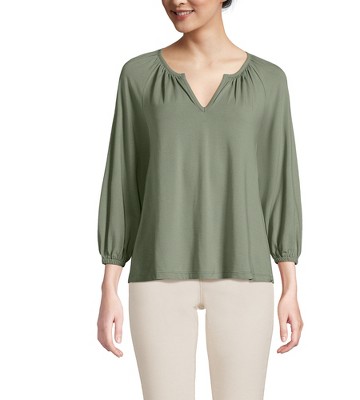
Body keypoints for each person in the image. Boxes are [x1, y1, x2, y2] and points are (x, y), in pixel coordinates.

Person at [97, 0, 304, 399]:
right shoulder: (138, 76)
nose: (177, 1)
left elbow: (279, 182)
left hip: (244, 273)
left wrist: (290, 285)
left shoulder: (269, 81)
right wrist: (109, 285)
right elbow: (123, 178)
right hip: (157, 273)